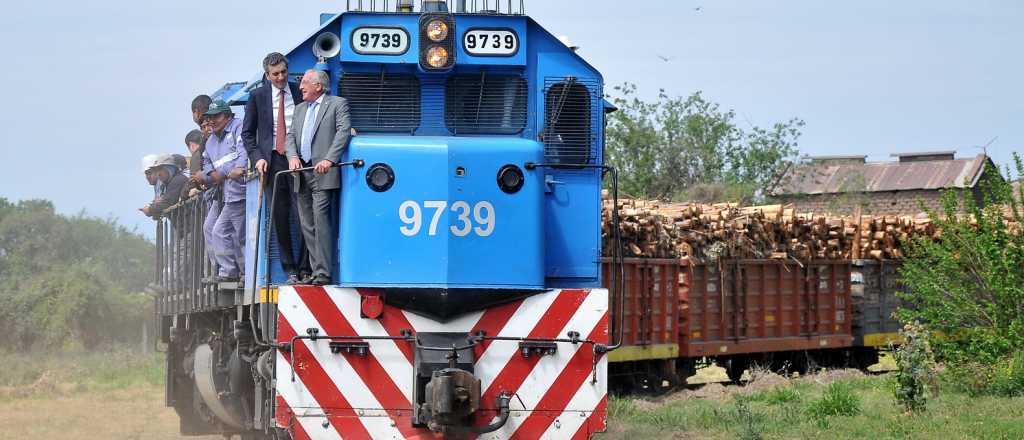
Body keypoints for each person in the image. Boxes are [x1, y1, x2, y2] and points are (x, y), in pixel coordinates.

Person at [242, 52, 311, 284]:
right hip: (272, 163)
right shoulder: (257, 96)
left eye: (283, 72)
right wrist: (257, 158)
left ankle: (305, 268)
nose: (280, 77)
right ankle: (289, 268)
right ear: (267, 75)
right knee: (280, 217)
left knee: (303, 215)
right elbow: (248, 134)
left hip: (300, 160)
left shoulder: (299, 92)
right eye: (275, 74)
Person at [286, 70, 351, 285]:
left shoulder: (337, 104)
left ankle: (323, 272)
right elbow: (290, 136)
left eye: (305, 83)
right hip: (301, 172)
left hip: (323, 172)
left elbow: (343, 132)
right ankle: (315, 271)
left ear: (319, 86)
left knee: (321, 221)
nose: (301, 87)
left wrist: (330, 159)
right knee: (307, 224)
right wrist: (293, 156)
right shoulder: (299, 109)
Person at [201, 100, 248, 283]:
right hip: (227, 194)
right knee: (219, 231)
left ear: (228, 116)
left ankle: (239, 272)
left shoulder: (238, 127)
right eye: (209, 117)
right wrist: (212, 174)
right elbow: (205, 163)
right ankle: (228, 271)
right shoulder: (210, 141)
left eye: (216, 116)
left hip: (242, 191)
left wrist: (220, 174)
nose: (212, 121)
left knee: (240, 235)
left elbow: (244, 154)